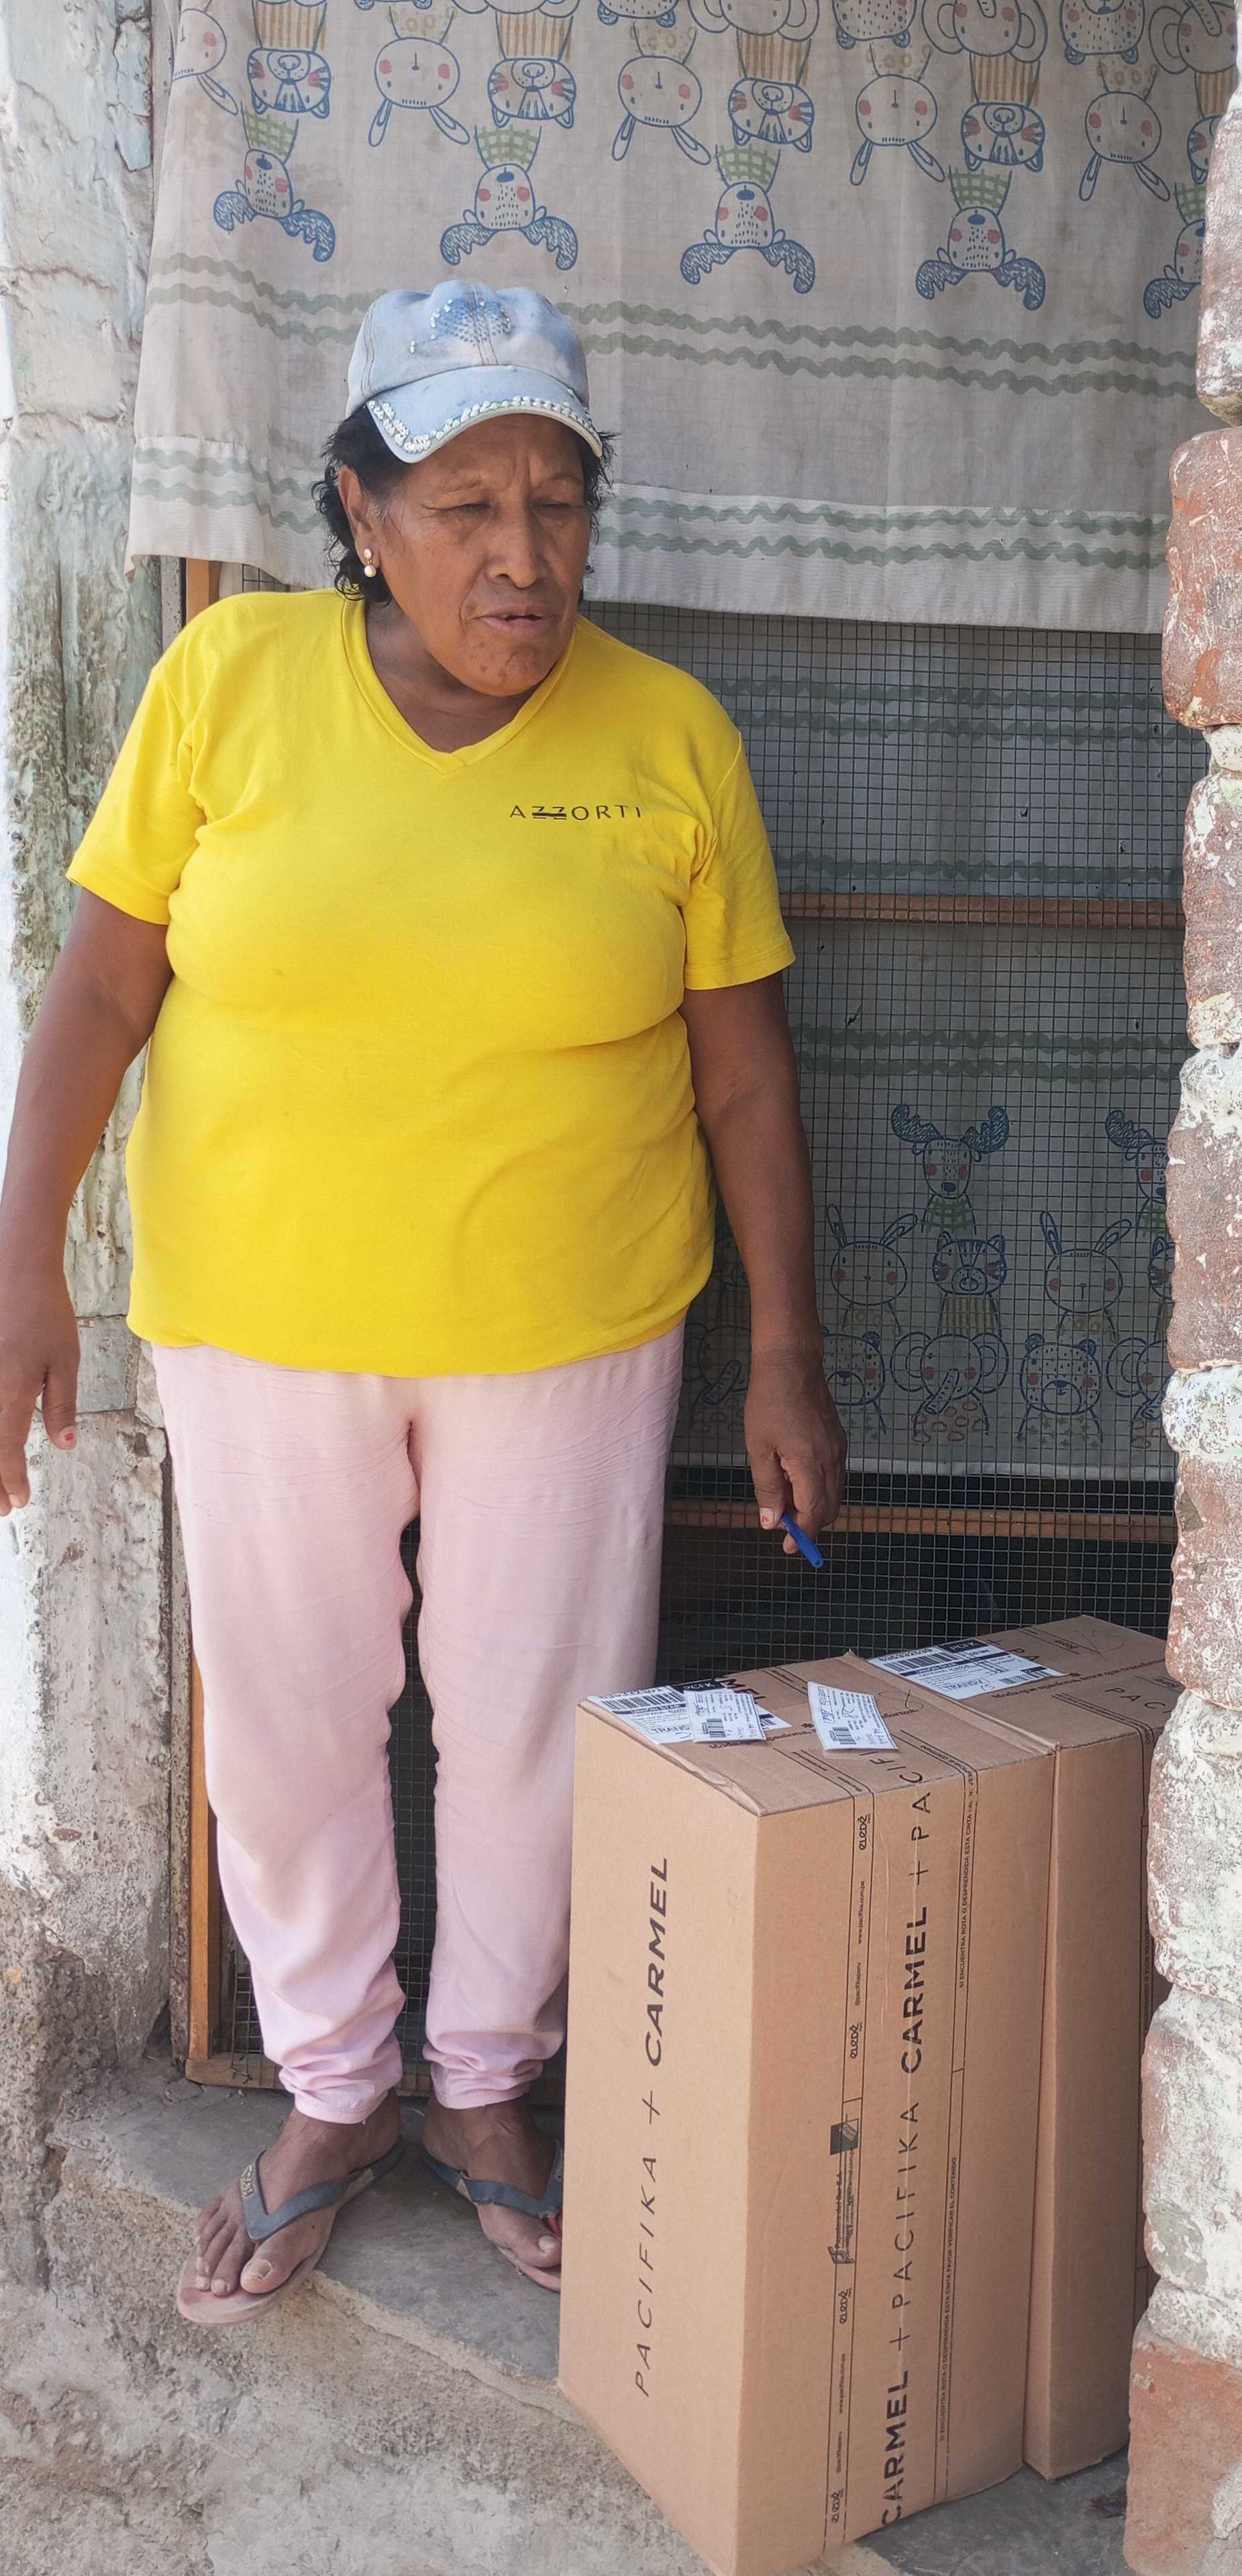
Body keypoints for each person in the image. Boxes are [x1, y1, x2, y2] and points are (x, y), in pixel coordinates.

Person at [0, 283, 845, 2313]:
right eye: (465, 503)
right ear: (364, 517)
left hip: (571, 1324)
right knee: (292, 1721)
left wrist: (788, 1354)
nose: (521, 554)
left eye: (558, 501)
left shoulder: (670, 737)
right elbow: (103, 990)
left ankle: (481, 2087)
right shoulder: (228, 679)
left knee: (539, 1723)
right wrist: (22, 1262)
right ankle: (333, 2085)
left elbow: (745, 1075)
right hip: (259, 1316)